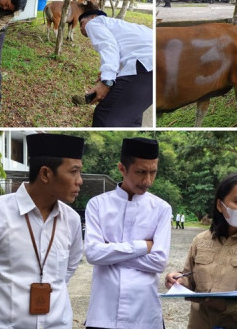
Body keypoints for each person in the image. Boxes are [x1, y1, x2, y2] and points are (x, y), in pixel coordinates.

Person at [0, 133, 84, 329]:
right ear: (45, 174)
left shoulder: (72, 221)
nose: (79, 181)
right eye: (74, 172)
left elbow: (69, 267)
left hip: (57, 323)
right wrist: (1, 295)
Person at [165, 172, 237, 329]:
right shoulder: (200, 241)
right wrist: (177, 280)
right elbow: (190, 280)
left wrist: (229, 307)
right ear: (220, 205)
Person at [85, 137, 172, 329]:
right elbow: (92, 254)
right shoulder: (98, 205)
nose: (147, 181)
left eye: (153, 172)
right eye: (141, 172)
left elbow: (159, 262)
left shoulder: (161, 208)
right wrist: (144, 246)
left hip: (146, 314)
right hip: (103, 315)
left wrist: (108, 253)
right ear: (122, 169)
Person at [79, 10, 152, 127]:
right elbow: (125, 53)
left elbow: (108, 46)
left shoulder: (94, 23)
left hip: (144, 63)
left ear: (92, 17)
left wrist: (107, 81)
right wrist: (115, 74)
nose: (81, 28)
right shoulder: (122, 27)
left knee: (105, 116)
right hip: (156, 64)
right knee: (130, 118)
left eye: (81, 23)